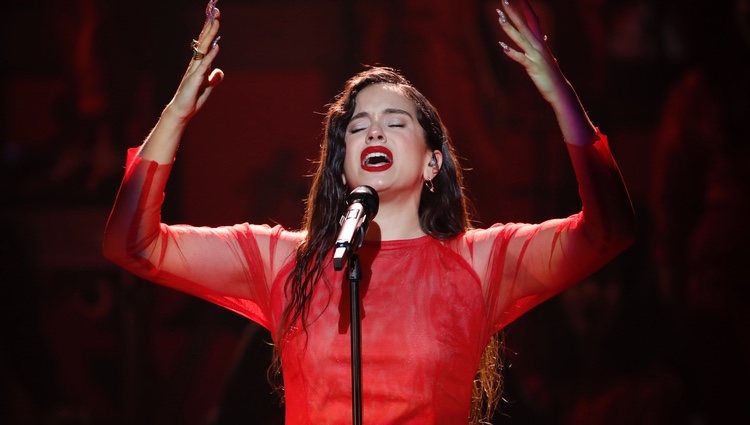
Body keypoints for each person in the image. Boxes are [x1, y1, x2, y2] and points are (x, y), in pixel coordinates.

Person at [103, 0, 635, 423]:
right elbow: (132, 245)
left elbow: (608, 233)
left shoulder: (480, 262)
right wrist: (173, 117)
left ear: (433, 164)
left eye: (396, 121)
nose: (374, 129)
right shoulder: (284, 263)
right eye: (357, 125)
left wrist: (561, 95)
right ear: (341, 168)